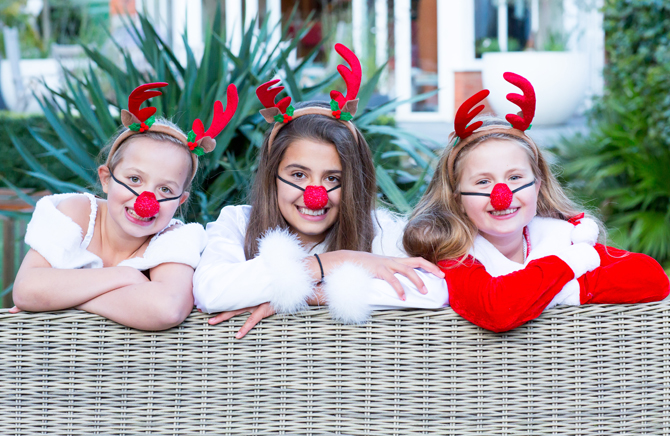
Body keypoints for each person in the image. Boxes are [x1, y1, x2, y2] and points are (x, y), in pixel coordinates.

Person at [193, 44, 448, 338]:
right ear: (272, 176)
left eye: (332, 178)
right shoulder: (238, 222)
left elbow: (432, 291)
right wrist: (334, 262)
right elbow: (211, 291)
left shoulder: (380, 228)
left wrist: (308, 293)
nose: (316, 194)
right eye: (299, 174)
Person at [402, 72, 669, 332]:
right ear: (457, 198)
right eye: (483, 182)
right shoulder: (452, 249)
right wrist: (569, 267)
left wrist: (556, 289)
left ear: (537, 186)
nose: (502, 195)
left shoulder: (563, 237)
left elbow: (652, 278)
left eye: (515, 177)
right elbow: (497, 307)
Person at [11, 82, 239, 331]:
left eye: (165, 189)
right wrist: (125, 277)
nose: (146, 201)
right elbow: (26, 289)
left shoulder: (175, 238)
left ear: (180, 201)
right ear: (106, 179)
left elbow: (168, 309)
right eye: (134, 179)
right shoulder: (77, 212)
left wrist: (64, 298)